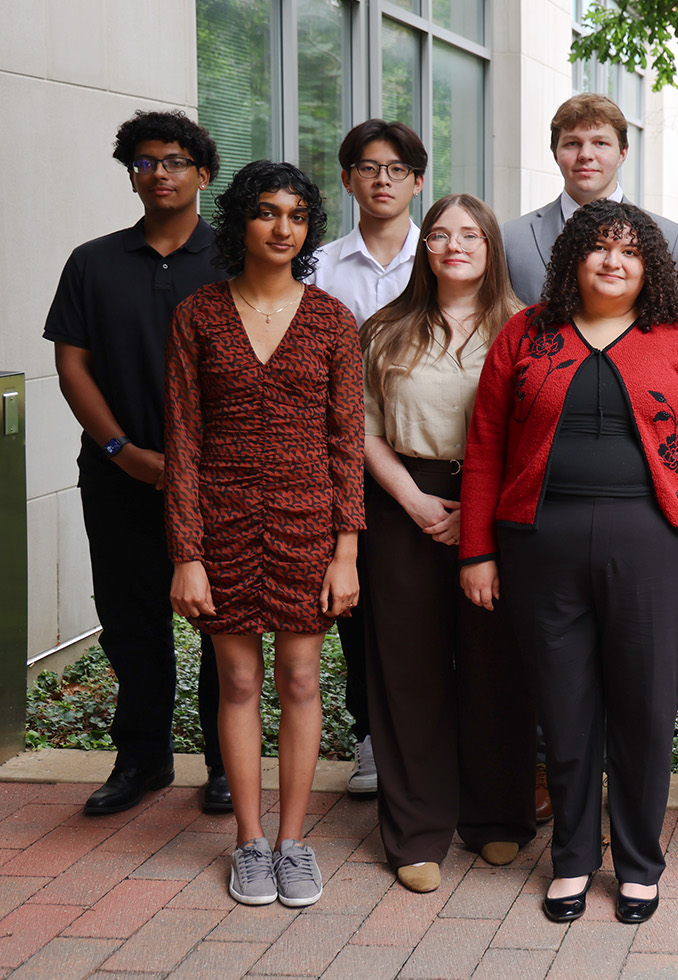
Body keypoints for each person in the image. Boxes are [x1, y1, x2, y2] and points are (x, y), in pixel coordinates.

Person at [459, 199, 678, 926]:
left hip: (654, 543)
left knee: (645, 710)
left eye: (629, 252)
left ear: (649, 265)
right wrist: (479, 551)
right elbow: (487, 444)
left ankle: (641, 862)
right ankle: (574, 859)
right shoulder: (526, 333)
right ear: (572, 258)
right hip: (539, 546)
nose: (612, 262)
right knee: (566, 710)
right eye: (597, 248)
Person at [164, 160, 365, 909]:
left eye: (298, 216)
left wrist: (347, 551)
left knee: (303, 681)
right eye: (267, 213)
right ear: (240, 221)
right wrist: (186, 554)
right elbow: (182, 441)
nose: (283, 228)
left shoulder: (332, 319)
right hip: (220, 524)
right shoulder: (198, 316)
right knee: (240, 681)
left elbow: (348, 442)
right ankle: (249, 841)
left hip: (308, 523)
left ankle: (294, 842)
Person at [44, 110, 230, 817]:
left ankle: (222, 761)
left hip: (217, 479)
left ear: (203, 174)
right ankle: (143, 760)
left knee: (222, 620)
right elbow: (72, 364)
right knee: (130, 618)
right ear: (131, 174)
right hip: (119, 472)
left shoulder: (233, 260)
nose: (159, 173)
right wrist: (122, 451)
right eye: (145, 162)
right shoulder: (93, 261)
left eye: (176, 161)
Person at [358, 193, 535, 893]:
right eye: (439, 234)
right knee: (409, 669)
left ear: (491, 247)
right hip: (405, 501)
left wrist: (480, 516)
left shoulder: (529, 328)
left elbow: (541, 432)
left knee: (498, 667)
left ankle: (496, 817)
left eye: (469, 234)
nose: (453, 245)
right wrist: (413, 499)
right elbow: (362, 428)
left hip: (502, 507)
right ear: (423, 247)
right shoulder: (384, 329)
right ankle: (416, 829)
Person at [307, 118, 430, 800]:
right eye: (367, 167)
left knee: (433, 605)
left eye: (396, 168)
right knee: (360, 606)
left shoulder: (440, 256)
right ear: (350, 178)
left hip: (427, 452)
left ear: (416, 181)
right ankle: (371, 739)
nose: (381, 180)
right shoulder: (320, 266)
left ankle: (434, 740)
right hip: (342, 457)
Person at [504, 93, 678, 306]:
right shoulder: (510, 239)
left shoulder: (672, 239)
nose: (585, 154)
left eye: (600, 143)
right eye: (572, 143)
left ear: (622, 153)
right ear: (555, 153)